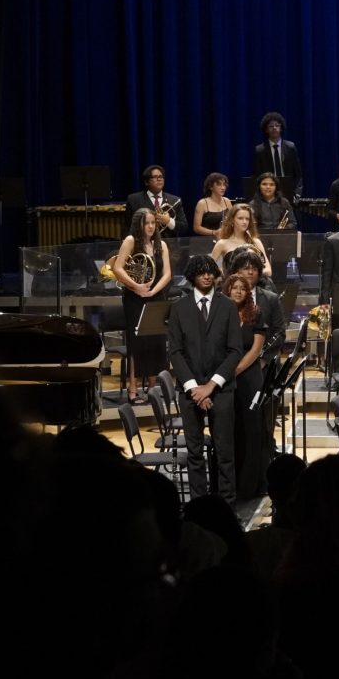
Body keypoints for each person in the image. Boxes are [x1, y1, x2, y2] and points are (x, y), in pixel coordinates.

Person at [167, 255, 244, 505]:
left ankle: (227, 505)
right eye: (201, 272)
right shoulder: (179, 308)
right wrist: (194, 389)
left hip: (221, 390)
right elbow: (175, 352)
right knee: (194, 452)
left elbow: (235, 351)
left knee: (225, 452)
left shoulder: (229, 306)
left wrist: (210, 387)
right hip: (190, 392)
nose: (207, 276)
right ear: (192, 276)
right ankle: (199, 506)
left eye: (210, 271)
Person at [113, 207, 172, 404]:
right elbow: (118, 268)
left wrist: (154, 291)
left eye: (153, 223)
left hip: (156, 295)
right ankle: (133, 389)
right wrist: (137, 286)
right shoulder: (130, 241)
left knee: (156, 340)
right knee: (137, 343)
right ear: (139, 224)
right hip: (135, 296)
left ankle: (153, 389)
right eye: (146, 223)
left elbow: (167, 274)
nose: (150, 226)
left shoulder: (161, 244)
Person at [222, 273, 268, 501]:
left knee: (251, 430)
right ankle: (231, 484)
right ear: (227, 290)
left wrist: (235, 370)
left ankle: (251, 486)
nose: (238, 291)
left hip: (249, 378)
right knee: (232, 429)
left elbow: (256, 349)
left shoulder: (256, 313)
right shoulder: (220, 313)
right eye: (234, 287)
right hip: (225, 379)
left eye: (242, 288)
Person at [211, 203, 272, 277]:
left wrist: (251, 275)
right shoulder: (222, 243)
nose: (244, 222)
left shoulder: (256, 242)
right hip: (232, 286)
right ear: (232, 220)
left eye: (247, 219)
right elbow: (209, 268)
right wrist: (222, 274)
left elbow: (268, 270)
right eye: (240, 218)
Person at [126, 164, 187, 238]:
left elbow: (184, 227)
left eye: (161, 177)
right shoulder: (133, 199)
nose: (159, 179)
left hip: (169, 245)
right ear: (146, 182)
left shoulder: (175, 200)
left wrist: (168, 221)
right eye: (155, 177)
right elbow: (128, 227)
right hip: (143, 245)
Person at [253, 112, 304, 197]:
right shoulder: (260, 150)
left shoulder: (290, 147)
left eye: (277, 125)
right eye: (271, 126)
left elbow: (298, 173)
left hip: (288, 190)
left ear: (281, 128)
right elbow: (258, 175)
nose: (274, 128)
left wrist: (298, 192)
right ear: (266, 130)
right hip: (268, 190)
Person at [192, 172, 232, 238]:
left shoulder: (227, 201)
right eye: (219, 185)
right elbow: (196, 228)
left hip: (224, 238)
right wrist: (214, 232)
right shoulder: (202, 203)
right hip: (207, 240)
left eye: (224, 185)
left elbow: (232, 221)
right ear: (211, 187)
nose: (223, 188)